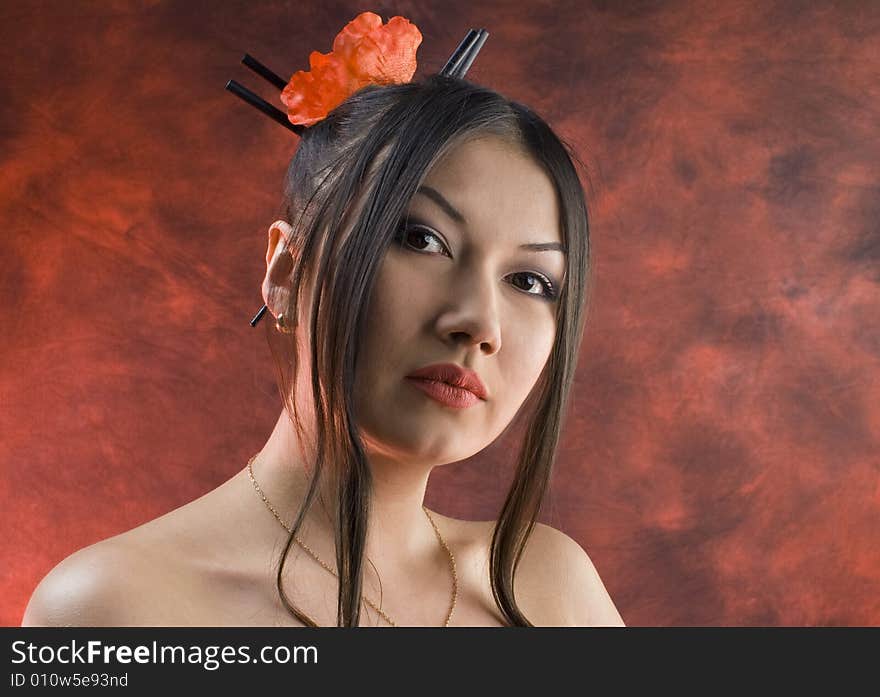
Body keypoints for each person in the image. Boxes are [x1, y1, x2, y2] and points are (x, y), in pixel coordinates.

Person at [22, 13, 624, 628]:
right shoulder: (113, 609)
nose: (477, 322)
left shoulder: (551, 589)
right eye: (421, 239)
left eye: (530, 281)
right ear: (286, 272)